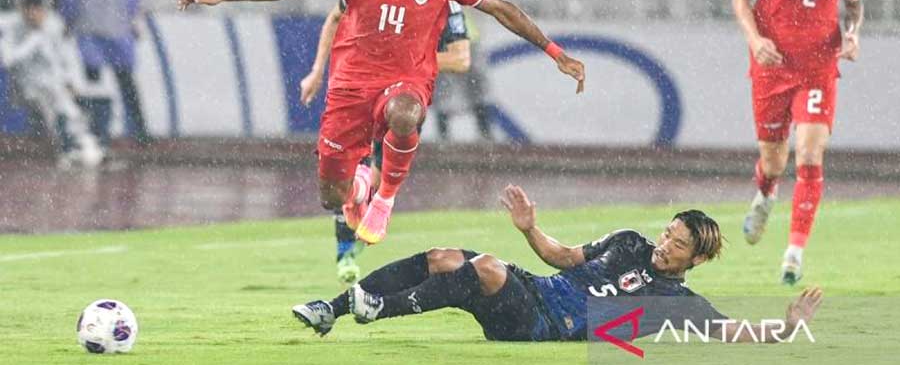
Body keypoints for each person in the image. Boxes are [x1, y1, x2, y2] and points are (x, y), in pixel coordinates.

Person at [178, 0, 586, 247]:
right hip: (350, 86)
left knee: (407, 114)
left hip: (406, 81)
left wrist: (554, 52)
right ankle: (358, 189)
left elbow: (502, 8)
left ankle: (385, 198)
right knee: (330, 197)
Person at [292, 184, 824, 343]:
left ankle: (376, 306)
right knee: (444, 257)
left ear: (698, 259)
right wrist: (529, 229)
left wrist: (785, 328)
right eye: (669, 232)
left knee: (486, 270)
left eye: (679, 244)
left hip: (547, 325)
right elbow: (563, 256)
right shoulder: (629, 241)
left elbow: (731, 332)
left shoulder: (675, 302)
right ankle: (332, 308)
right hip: (539, 287)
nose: (665, 244)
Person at [298, 0, 472, 284]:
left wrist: (407, 60)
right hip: (361, 88)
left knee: (375, 170)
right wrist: (317, 70)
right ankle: (346, 252)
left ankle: (364, 222)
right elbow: (335, 18)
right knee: (346, 168)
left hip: (401, 96)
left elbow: (460, 58)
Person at [732, 0, 864, 285]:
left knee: (809, 154)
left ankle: (793, 252)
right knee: (774, 159)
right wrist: (755, 40)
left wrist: (853, 35)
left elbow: (855, 5)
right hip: (772, 67)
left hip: (818, 68)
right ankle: (766, 192)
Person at [60, 0, 150, 148]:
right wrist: (131, 19)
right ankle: (140, 133)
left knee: (93, 83)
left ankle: (97, 133)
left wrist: (67, 21)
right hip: (118, 28)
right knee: (126, 81)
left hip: (89, 28)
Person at [0, 0, 104, 167]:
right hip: (27, 86)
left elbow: (68, 56)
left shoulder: (54, 26)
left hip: (54, 83)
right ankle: (70, 148)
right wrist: (33, 41)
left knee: (67, 112)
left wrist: (73, 81)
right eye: (29, 11)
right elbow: (8, 59)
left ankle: (81, 148)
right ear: (23, 11)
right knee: (52, 115)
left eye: (37, 10)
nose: (34, 15)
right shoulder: (13, 28)